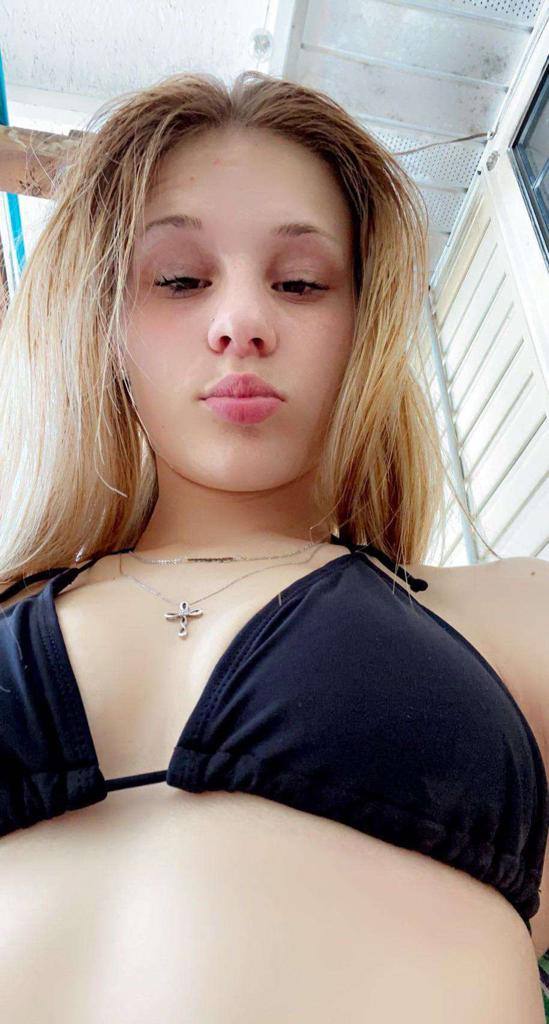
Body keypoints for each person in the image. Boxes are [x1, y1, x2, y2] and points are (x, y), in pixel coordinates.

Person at [0, 70, 547, 1023]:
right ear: (104, 324)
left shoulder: (511, 613)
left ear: (363, 323)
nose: (242, 323)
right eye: (178, 279)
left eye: (299, 282)